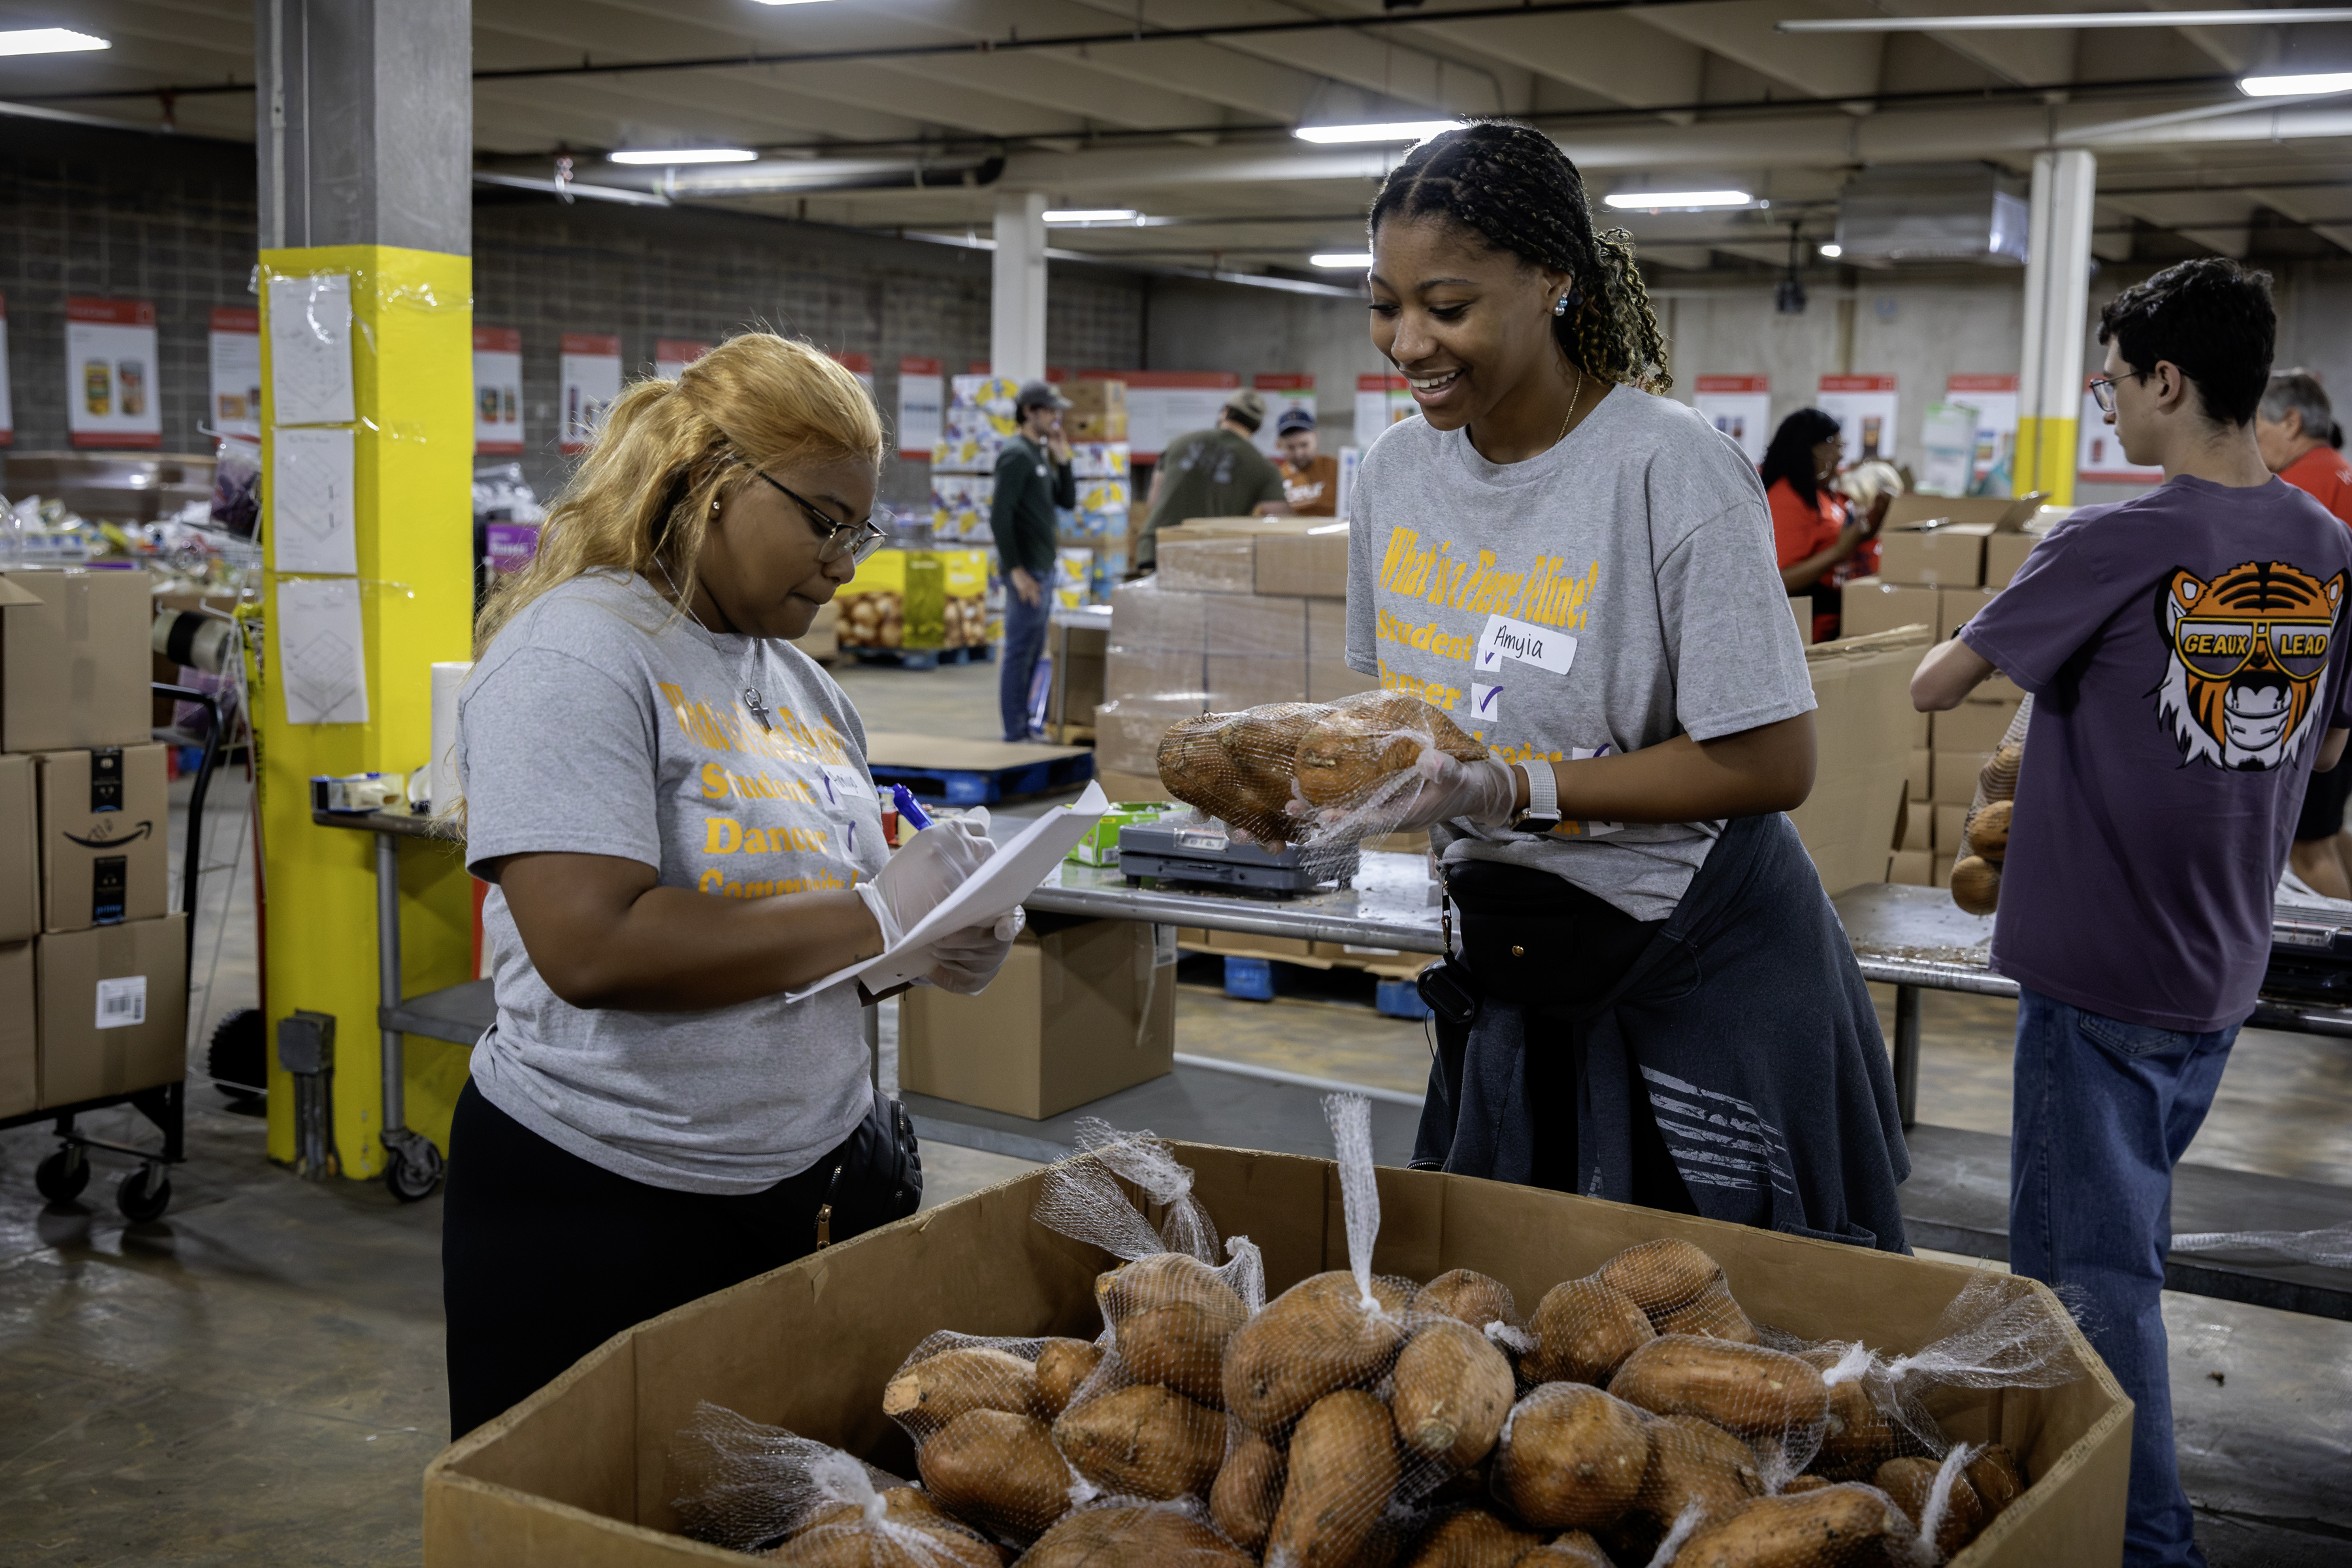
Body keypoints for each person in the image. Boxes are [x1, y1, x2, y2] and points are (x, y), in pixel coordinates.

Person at [442, 334, 1022, 1439]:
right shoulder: (575, 657)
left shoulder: (801, 685)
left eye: (862, 529)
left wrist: (920, 943)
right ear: (709, 477)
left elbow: (803, 948)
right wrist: (873, 913)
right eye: (821, 519)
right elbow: (591, 948)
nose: (846, 563)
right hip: (603, 1205)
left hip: (808, 1188)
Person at [1341, 122, 1909, 1248]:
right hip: (1514, 959)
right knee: (1519, 1335)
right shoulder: (1397, 472)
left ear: (1553, 280)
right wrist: (1337, 777)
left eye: (1446, 308)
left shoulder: (1667, 466)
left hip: (1697, 975)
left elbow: (1772, 762)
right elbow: (1405, 705)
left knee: (1706, 1348)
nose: (1407, 342)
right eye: (1382, 305)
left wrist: (1509, 791)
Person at [1911, 258, 2352, 1568]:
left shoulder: (2109, 539)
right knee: (2112, 1256)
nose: (2103, 403)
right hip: (2219, 967)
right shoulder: (2327, 548)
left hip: (2097, 974)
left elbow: (1938, 686)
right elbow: (2324, 756)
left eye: (2111, 379)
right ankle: (2064, 1506)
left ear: (2169, 380)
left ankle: (2148, 1545)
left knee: (2093, 1287)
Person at [2259, 370, 2352, 896]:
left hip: (2330, 690)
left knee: (2307, 847)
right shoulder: (2341, 474)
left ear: (2291, 422)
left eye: (2256, 424)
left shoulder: (2299, 492)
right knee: (2330, 832)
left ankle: (2340, 968)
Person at [990, 381, 1076, 742]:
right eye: (1051, 411)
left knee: (1032, 647)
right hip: (1027, 569)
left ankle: (1023, 724)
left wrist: (1065, 461)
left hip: (1044, 567)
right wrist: (1016, 570)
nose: (1057, 419)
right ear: (1029, 412)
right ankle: (1015, 729)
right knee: (1020, 648)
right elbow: (1001, 516)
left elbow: (1067, 501)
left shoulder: (1039, 453)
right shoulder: (1016, 455)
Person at [1760, 408, 1887, 642]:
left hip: (1835, 625)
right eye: (1837, 447)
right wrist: (1839, 552)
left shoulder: (1822, 494)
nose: (1840, 457)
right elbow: (1778, 581)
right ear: (1816, 449)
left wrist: (1870, 527)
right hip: (1807, 636)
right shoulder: (1786, 500)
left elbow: (1836, 543)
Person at [1133, 388, 1290, 573]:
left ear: (1225, 412)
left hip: (1156, 548)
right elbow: (1281, 521)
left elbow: (1154, 501)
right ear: (1257, 426)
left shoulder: (1179, 443)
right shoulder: (1263, 467)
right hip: (1209, 558)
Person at [1273, 406, 1340, 516]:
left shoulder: (1336, 469)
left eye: (1304, 445)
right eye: (1291, 447)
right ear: (1280, 445)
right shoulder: (1277, 479)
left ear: (1316, 437)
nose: (1298, 454)